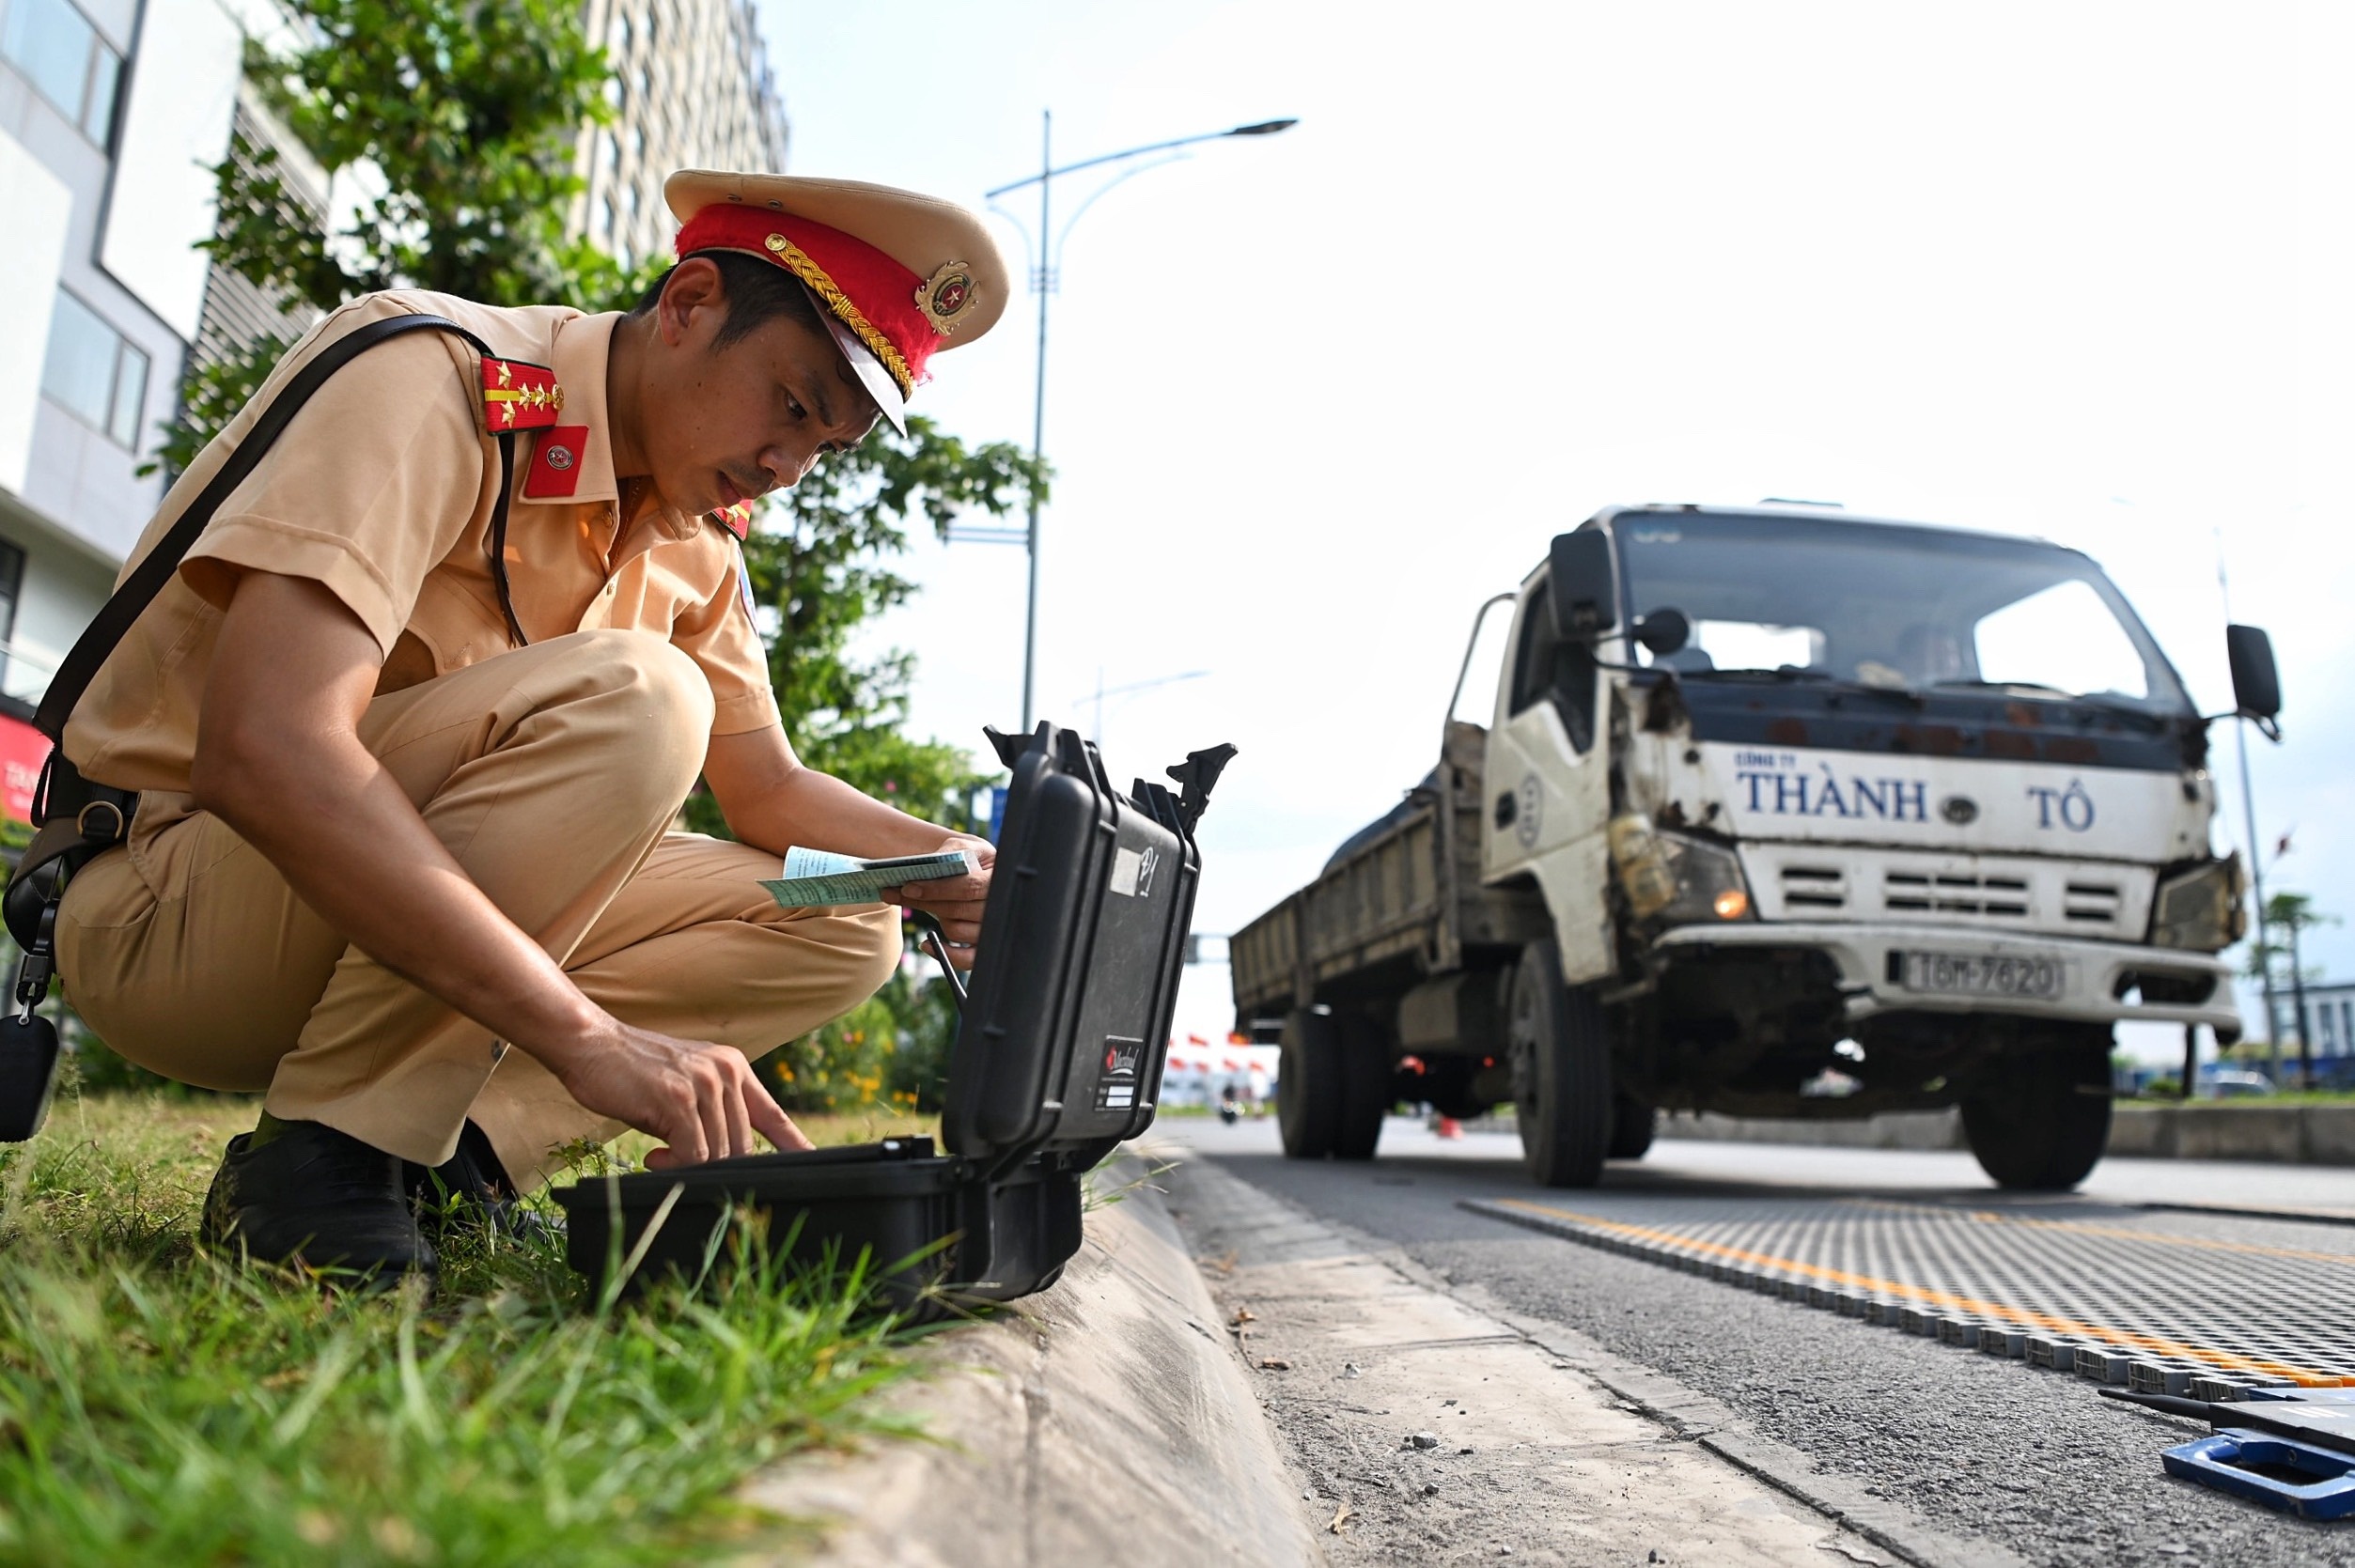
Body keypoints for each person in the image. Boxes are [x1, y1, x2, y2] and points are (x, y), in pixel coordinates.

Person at [48, 171, 1010, 1282]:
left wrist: (961, 866)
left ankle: (453, 1164)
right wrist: (587, 1039)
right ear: (689, 303)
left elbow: (770, 792)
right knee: (647, 697)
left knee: (847, 911)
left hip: (368, 931)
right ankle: (319, 1158)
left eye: (825, 449)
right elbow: (267, 748)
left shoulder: (697, 540)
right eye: (793, 407)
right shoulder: (433, 378)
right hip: (172, 904)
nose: (787, 469)